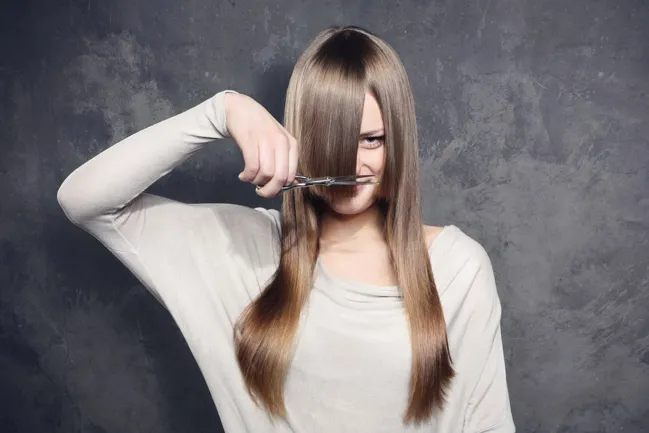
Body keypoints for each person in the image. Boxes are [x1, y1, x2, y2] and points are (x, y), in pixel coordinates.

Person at [57, 25, 515, 433]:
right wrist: (222, 112)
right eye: (329, 138)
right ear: (298, 139)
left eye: (371, 139)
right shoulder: (242, 251)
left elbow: (490, 425)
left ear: (398, 140)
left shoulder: (458, 269)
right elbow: (84, 202)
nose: (349, 162)